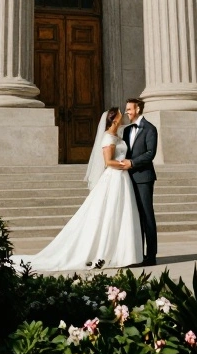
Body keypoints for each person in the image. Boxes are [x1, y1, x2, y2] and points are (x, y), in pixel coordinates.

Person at [11, 107, 142, 272]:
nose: (123, 117)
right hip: (114, 177)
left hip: (122, 179)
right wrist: (127, 164)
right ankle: (105, 252)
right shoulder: (108, 137)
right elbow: (108, 162)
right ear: (114, 119)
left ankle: (123, 253)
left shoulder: (117, 136)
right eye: (120, 115)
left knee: (120, 213)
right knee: (110, 213)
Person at [122, 98, 158, 266]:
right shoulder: (127, 130)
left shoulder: (150, 129)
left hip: (144, 178)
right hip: (128, 178)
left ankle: (150, 256)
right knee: (134, 217)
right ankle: (136, 254)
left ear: (137, 109)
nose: (127, 111)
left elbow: (151, 153)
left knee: (146, 216)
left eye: (129, 109)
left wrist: (133, 163)